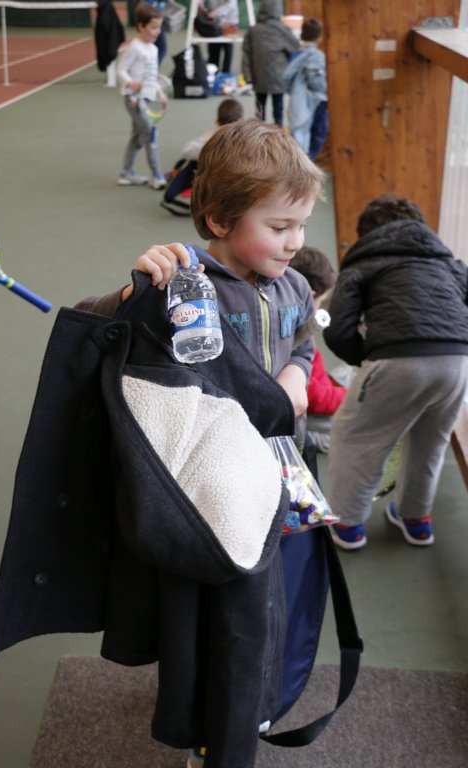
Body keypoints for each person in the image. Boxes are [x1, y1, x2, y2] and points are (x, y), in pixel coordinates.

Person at [77, 118, 325, 767]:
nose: (295, 242)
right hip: (206, 488)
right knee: (208, 615)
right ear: (218, 219)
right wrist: (136, 287)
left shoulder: (295, 285)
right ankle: (206, 724)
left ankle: (245, 705)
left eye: (302, 225)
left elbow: (304, 339)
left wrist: (297, 375)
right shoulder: (185, 285)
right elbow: (94, 324)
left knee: (265, 604)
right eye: (280, 226)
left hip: (275, 473)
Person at [323, 194, 468, 550]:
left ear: (367, 233)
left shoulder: (364, 261)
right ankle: (416, 520)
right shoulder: (448, 263)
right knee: (430, 442)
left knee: (356, 437)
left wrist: (366, 359)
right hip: (457, 362)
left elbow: (337, 328)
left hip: (397, 359)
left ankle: (348, 526)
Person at [290, 246, 348, 453]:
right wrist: (349, 395)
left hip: (321, 404)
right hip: (312, 421)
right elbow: (312, 395)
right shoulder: (295, 333)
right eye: (320, 302)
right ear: (311, 295)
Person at [116, 2, 168, 188]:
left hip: (146, 98)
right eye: (153, 27)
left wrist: (160, 93)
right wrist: (130, 84)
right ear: (141, 26)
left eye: (159, 27)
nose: (157, 32)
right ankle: (157, 176)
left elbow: (151, 76)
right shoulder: (134, 48)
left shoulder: (153, 49)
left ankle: (126, 173)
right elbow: (120, 69)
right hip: (134, 100)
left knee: (137, 137)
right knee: (150, 134)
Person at [241, 0, 300, 127]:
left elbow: (246, 55)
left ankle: (257, 133)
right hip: (278, 77)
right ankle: (278, 134)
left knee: (259, 109)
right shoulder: (283, 29)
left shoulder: (253, 31)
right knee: (278, 109)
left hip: (259, 76)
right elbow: (295, 47)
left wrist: (247, 76)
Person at [283, 17, 328, 160]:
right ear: (320, 37)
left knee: (300, 135)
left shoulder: (296, 54)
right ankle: (307, 163)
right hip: (317, 101)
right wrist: (327, 91)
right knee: (317, 134)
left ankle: (302, 163)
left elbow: (287, 78)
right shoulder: (316, 56)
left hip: (297, 101)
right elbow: (316, 81)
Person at [180, 96, 244, 160]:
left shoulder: (209, 140)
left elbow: (186, 151)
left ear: (217, 122)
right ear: (242, 120)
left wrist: (207, 138)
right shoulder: (246, 142)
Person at [198, 0, 239, 74]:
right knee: (213, 55)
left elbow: (231, 4)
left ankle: (225, 76)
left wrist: (215, 13)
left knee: (227, 54)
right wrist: (200, 3)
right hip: (213, 24)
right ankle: (213, 76)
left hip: (229, 23)